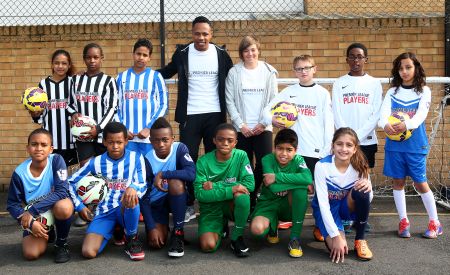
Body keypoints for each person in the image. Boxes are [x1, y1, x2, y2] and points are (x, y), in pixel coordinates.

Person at [158, 16, 233, 222]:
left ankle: (213, 202)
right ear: (192, 34)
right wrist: (144, 75)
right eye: (197, 33)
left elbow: (234, 77)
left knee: (214, 159)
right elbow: (166, 71)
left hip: (215, 114)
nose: (201, 37)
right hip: (189, 115)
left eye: (205, 34)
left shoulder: (221, 54)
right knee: (188, 159)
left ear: (211, 35)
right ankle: (189, 203)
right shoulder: (183, 53)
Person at [379, 52, 442, 239]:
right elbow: (383, 114)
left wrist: (406, 124)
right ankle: (403, 221)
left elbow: (421, 114)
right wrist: (385, 124)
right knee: (397, 182)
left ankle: (435, 222)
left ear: (416, 68)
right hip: (395, 145)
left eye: (408, 67)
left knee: (420, 183)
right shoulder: (393, 92)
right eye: (400, 68)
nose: (404, 71)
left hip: (415, 145)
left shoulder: (424, 91)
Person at [267, 55, 333, 230]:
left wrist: (327, 150)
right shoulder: (288, 92)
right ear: (294, 71)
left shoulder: (322, 93)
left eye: (307, 68)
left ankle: (321, 225)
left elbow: (328, 123)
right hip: (294, 152)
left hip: (316, 150)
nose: (303, 71)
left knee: (318, 190)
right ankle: (290, 217)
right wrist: (272, 119)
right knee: (293, 188)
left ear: (314, 69)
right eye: (299, 68)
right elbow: (267, 110)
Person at [68, 122, 147, 260]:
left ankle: (131, 237)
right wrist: (79, 206)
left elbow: (143, 184)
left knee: (131, 195)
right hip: (104, 211)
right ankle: (115, 228)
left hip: (125, 207)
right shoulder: (95, 162)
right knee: (88, 252)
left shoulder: (136, 157)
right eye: (111, 142)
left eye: (119, 142)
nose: (115, 146)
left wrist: (133, 188)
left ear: (126, 141)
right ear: (104, 142)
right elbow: (70, 182)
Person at [331, 43, 382, 236]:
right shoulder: (339, 83)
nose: (356, 60)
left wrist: (357, 137)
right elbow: (337, 111)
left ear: (366, 60)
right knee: (344, 179)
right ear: (347, 60)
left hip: (366, 140)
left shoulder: (374, 83)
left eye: (360, 57)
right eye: (352, 57)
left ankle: (362, 217)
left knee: (363, 179)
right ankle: (344, 217)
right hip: (345, 142)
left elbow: (375, 113)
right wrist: (347, 138)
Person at [225, 35, 278, 212]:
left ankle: (253, 195)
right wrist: (241, 125)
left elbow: (274, 100)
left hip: (263, 127)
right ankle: (246, 202)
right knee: (245, 166)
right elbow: (230, 101)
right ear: (241, 53)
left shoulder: (269, 71)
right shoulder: (234, 72)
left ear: (258, 50)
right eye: (246, 50)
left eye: (253, 49)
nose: (250, 53)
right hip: (243, 129)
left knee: (263, 164)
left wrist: (263, 123)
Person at [7, 129, 73, 263]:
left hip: (49, 207)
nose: (38, 148)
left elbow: (61, 191)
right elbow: (12, 204)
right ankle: (48, 232)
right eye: (34, 144)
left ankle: (61, 244)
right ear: (27, 148)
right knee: (31, 254)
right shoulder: (19, 173)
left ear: (51, 149)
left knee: (64, 206)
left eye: (44, 145)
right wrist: (30, 223)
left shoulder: (56, 161)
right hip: (38, 216)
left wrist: (31, 211)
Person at [311, 127, 373, 262]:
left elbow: (368, 198)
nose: (344, 149)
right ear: (333, 146)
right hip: (328, 208)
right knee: (339, 247)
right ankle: (322, 225)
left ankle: (360, 239)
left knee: (362, 191)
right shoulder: (322, 166)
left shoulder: (360, 165)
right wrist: (336, 236)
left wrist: (369, 187)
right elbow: (323, 204)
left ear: (355, 148)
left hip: (346, 205)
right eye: (339, 144)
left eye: (349, 145)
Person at [194, 123, 254, 257]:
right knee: (207, 246)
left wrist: (214, 185)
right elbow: (200, 194)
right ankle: (221, 224)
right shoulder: (203, 161)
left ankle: (237, 238)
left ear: (235, 143)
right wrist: (231, 188)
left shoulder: (241, 156)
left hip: (230, 205)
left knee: (242, 195)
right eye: (221, 139)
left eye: (230, 140)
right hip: (211, 209)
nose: (225, 143)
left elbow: (250, 184)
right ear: (214, 140)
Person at [250, 129, 312, 258]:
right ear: (274, 148)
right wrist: (299, 181)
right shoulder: (267, 159)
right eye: (280, 148)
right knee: (257, 230)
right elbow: (271, 186)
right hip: (268, 203)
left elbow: (307, 179)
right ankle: (273, 227)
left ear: (295, 150)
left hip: (287, 205)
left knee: (300, 191)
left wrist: (277, 176)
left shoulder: (298, 160)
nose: (284, 153)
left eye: (289, 150)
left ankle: (294, 238)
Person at [140, 117, 196, 258]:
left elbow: (191, 173)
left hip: (177, 196)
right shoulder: (146, 159)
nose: (161, 144)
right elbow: (143, 196)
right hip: (156, 203)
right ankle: (163, 227)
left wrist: (164, 174)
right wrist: (151, 227)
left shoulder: (180, 148)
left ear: (172, 138)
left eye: (165, 140)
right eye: (157, 140)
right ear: (151, 141)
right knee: (156, 243)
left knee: (175, 182)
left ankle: (178, 232)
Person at [67, 43, 118, 167]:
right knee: (86, 168)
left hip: (103, 135)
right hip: (82, 134)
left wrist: (98, 128)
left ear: (102, 58)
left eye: (96, 57)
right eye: (88, 57)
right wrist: (73, 113)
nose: (92, 61)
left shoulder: (108, 81)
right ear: (84, 59)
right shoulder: (76, 79)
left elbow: (112, 108)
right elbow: (70, 103)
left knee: (105, 168)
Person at [116, 38, 168, 155]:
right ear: (133, 54)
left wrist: (149, 128)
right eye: (138, 54)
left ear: (149, 58)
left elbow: (163, 105)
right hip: (127, 137)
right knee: (129, 169)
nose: (141, 57)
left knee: (148, 169)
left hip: (149, 137)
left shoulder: (155, 77)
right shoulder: (121, 77)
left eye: (145, 55)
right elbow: (115, 107)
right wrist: (123, 129)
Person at [28, 49, 78, 166]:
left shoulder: (73, 82)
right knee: (51, 176)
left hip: (70, 140)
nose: (60, 66)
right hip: (49, 141)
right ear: (52, 64)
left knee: (68, 176)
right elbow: (40, 113)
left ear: (69, 65)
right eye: (57, 63)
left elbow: (77, 107)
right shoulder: (43, 84)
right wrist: (35, 114)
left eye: (64, 63)